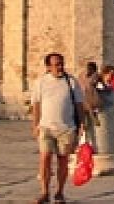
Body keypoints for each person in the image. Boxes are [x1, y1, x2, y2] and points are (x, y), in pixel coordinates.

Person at [30, 52, 87, 204]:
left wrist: (82, 124)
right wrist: (35, 125)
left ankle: (60, 192)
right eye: (56, 65)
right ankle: (44, 192)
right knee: (45, 158)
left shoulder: (71, 82)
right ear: (48, 67)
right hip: (46, 127)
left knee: (63, 160)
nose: (60, 67)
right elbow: (36, 105)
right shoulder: (40, 82)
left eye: (61, 64)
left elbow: (79, 105)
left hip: (66, 127)